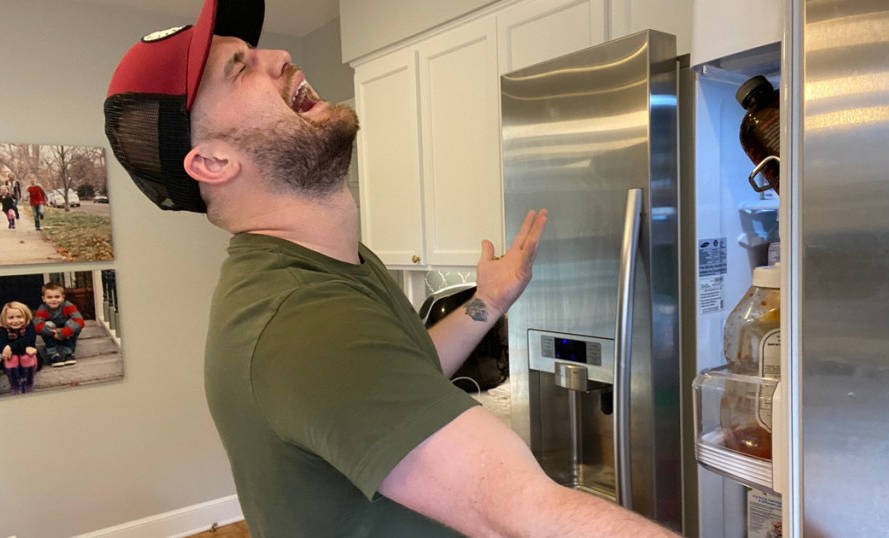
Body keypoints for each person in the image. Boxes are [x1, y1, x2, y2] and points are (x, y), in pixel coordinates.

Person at [103, 1, 679, 536]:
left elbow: (408, 366)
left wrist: (488, 303)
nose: (279, 57)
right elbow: (522, 516)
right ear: (212, 161)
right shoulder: (303, 323)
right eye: (240, 68)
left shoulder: (331, 264)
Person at [34, 282, 84, 367]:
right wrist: (54, 333)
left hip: (66, 332)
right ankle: (53, 355)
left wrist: (63, 333)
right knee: (47, 325)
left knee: (72, 324)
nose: (53, 300)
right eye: (49, 297)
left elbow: (79, 321)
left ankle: (68, 353)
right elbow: (37, 326)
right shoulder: (42, 308)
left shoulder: (68, 305)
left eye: (57, 297)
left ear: (63, 298)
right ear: (43, 298)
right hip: (51, 332)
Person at [0, 301, 38, 395]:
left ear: (26, 317)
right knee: (12, 358)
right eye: (11, 317)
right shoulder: (3, 329)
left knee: (26, 356)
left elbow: (29, 339)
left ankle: (28, 384)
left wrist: (10, 347)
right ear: (5, 319)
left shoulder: (29, 326)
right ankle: (15, 385)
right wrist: (22, 348)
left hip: (28, 361)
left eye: (19, 317)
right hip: (12, 362)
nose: (15, 320)